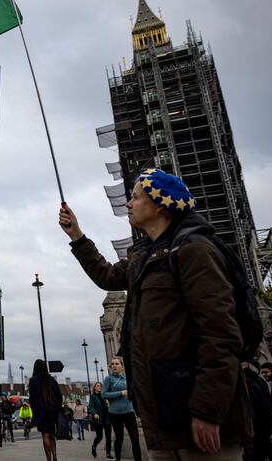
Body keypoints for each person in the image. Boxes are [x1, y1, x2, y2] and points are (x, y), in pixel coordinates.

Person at [59, 168, 253, 458]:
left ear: (160, 203)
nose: (128, 203)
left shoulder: (194, 250)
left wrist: (208, 411)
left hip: (197, 413)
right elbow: (108, 277)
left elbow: (220, 335)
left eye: (136, 197)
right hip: (163, 415)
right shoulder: (143, 254)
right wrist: (77, 235)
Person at [103, 358, 142, 461]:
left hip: (129, 412)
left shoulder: (127, 379)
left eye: (117, 364)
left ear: (122, 366)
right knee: (119, 439)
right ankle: (118, 459)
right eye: (112, 364)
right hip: (115, 413)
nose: (114, 366)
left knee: (135, 439)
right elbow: (104, 394)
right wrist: (120, 393)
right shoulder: (109, 379)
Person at [242, 362, 272, 461]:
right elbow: (270, 401)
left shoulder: (246, 381)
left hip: (256, 423)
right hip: (265, 421)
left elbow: (256, 403)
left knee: (260, 451)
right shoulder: (259, 380)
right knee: (264, 449)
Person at [29, 359, 63, 461]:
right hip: (52, 410)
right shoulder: (52, 380)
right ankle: (55, 456)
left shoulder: (33, 380)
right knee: (51, 434)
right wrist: (58, 407)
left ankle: (49, 459)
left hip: (41, 411)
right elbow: (59, 396)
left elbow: (32, 398)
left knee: (45, 435)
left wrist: (34, 408)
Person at [88, 381, 113, 459]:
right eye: (98, 386)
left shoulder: (104, 396)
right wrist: (94, 413)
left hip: (107, 419)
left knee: (108, 437)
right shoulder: (92, 396)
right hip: (98, 419)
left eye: (101, 386)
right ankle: (94, 446)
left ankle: (108, 454)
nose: (99, 387)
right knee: (99, 436)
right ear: (95, 387)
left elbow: (109, 405)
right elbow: (91, 406)